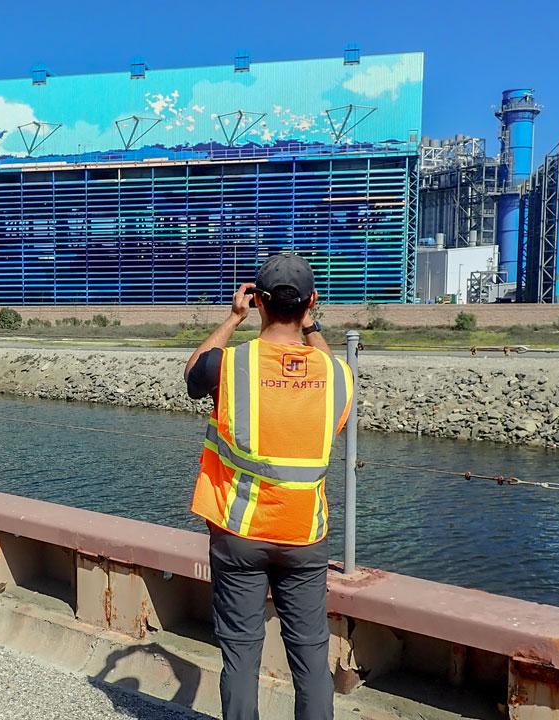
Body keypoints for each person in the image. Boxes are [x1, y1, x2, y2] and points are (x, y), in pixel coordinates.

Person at [184, 254, 354, 720]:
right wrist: (312, 325)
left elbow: (192, 373)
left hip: (239, 532)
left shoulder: (231, 365)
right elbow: (325, 362)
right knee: (311, 658)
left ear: (257, 301)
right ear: (310, 303)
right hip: (304, 536)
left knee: (240, 655)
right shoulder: (337, 375)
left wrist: (231, 319)